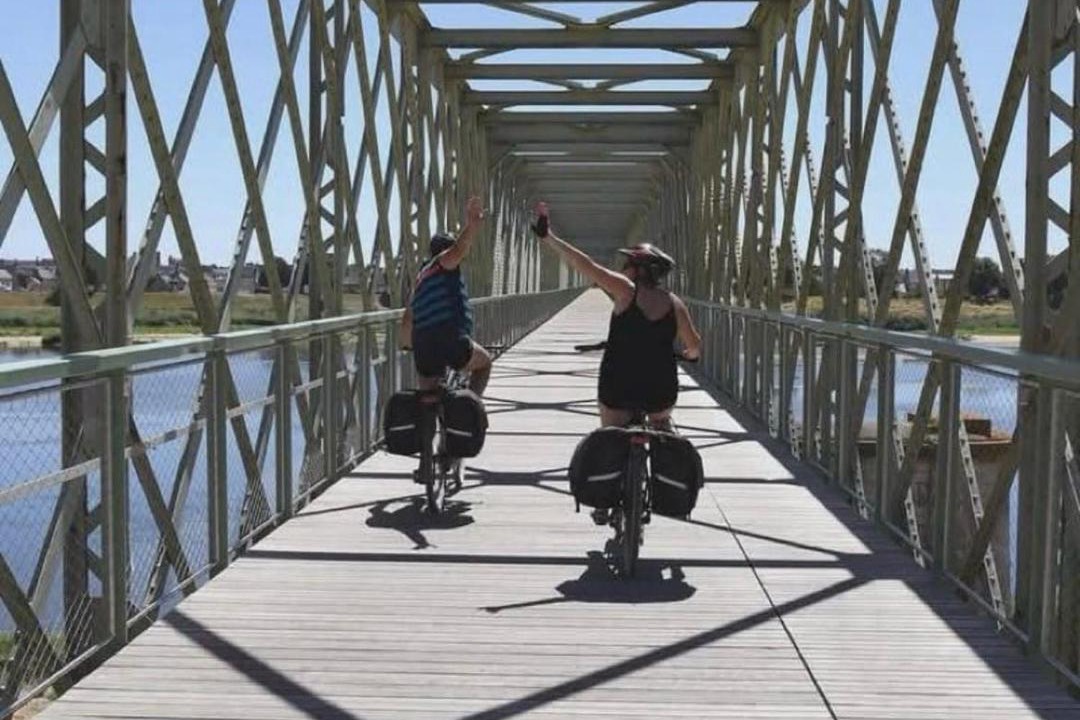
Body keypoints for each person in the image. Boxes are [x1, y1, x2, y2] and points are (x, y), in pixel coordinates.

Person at [531, 202, 701, 429]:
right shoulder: (674, 303)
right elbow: (694, 345)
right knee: (662, 423)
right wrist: (689, 354)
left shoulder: (626, 290)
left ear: (638, 269)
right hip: (659, 390)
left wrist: (548, 237)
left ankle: (613, 455)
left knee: (610, 436)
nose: (623, 268)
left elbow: (586, 265)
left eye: (627, 263)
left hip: (619, 386)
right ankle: (665, 444)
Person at [400, 197, 492, 397]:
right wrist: (472, 226)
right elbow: (458, 251)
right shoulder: (444, 262)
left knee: (428, 391)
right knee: (484, 363)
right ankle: (472, 407)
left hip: (422, 341)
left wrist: (407, 345)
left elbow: (408, 317)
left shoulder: (420, 278)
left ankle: (425, 422)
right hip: (448, 337)